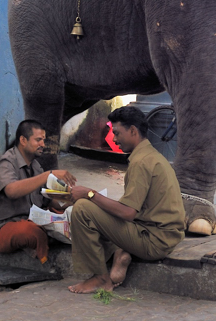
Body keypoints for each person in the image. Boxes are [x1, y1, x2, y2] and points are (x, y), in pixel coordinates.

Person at [65, 106, 185, 294]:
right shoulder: (151, 156)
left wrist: (89, 193)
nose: (113, 139)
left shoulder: (141, 162)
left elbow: (128, 213)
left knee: (82, 209)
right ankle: (121, 252)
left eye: (117, 133)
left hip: (155, 241)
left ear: (133, 131)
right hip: (163, 234)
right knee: (98, 210)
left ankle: (101, 278)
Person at [0, 120, 77, 263]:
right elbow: (12, 191)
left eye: (44, 140)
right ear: (23, 140)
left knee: (69, 216)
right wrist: (47, 175)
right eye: (38, 140)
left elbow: (46, 200)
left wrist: (72, 199)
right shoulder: (5, 163)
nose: (43, 144)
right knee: (31, 232)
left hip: (30, 219)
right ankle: (45, 263)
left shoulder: (35, 166)